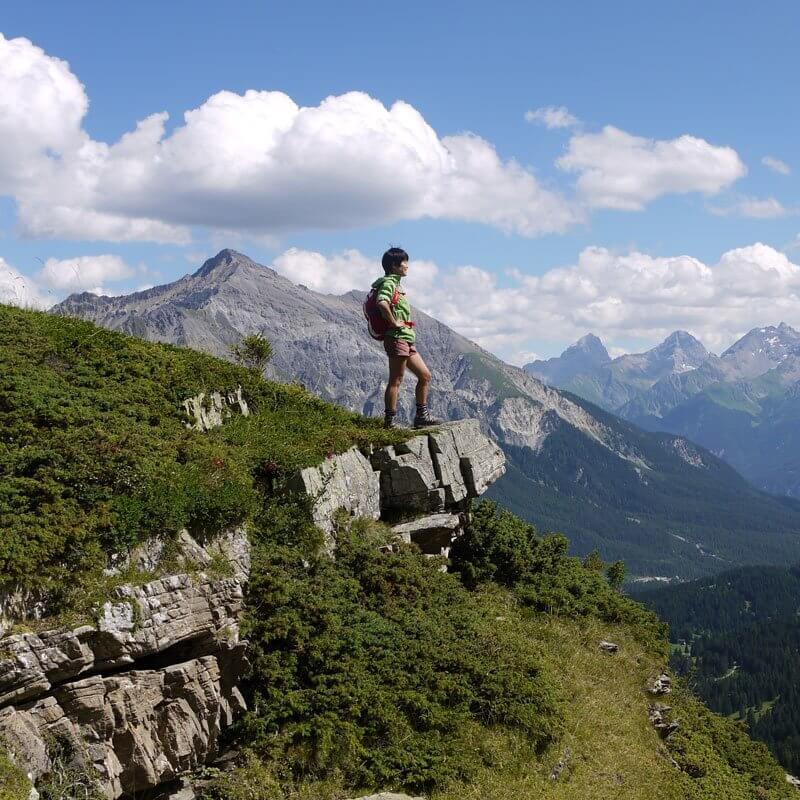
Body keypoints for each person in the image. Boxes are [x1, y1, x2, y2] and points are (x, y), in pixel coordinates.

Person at [372, 247, 441, 429]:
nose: (407, 266)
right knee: (396, 380)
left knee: (425, 375)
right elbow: (382, 303)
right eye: (404, 262)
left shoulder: (397, 286)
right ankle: (390, 422)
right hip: (396, 338)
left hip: (405, 339)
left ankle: (421, 417)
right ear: (394, 266)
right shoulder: (388, 284)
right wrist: (394, 323)